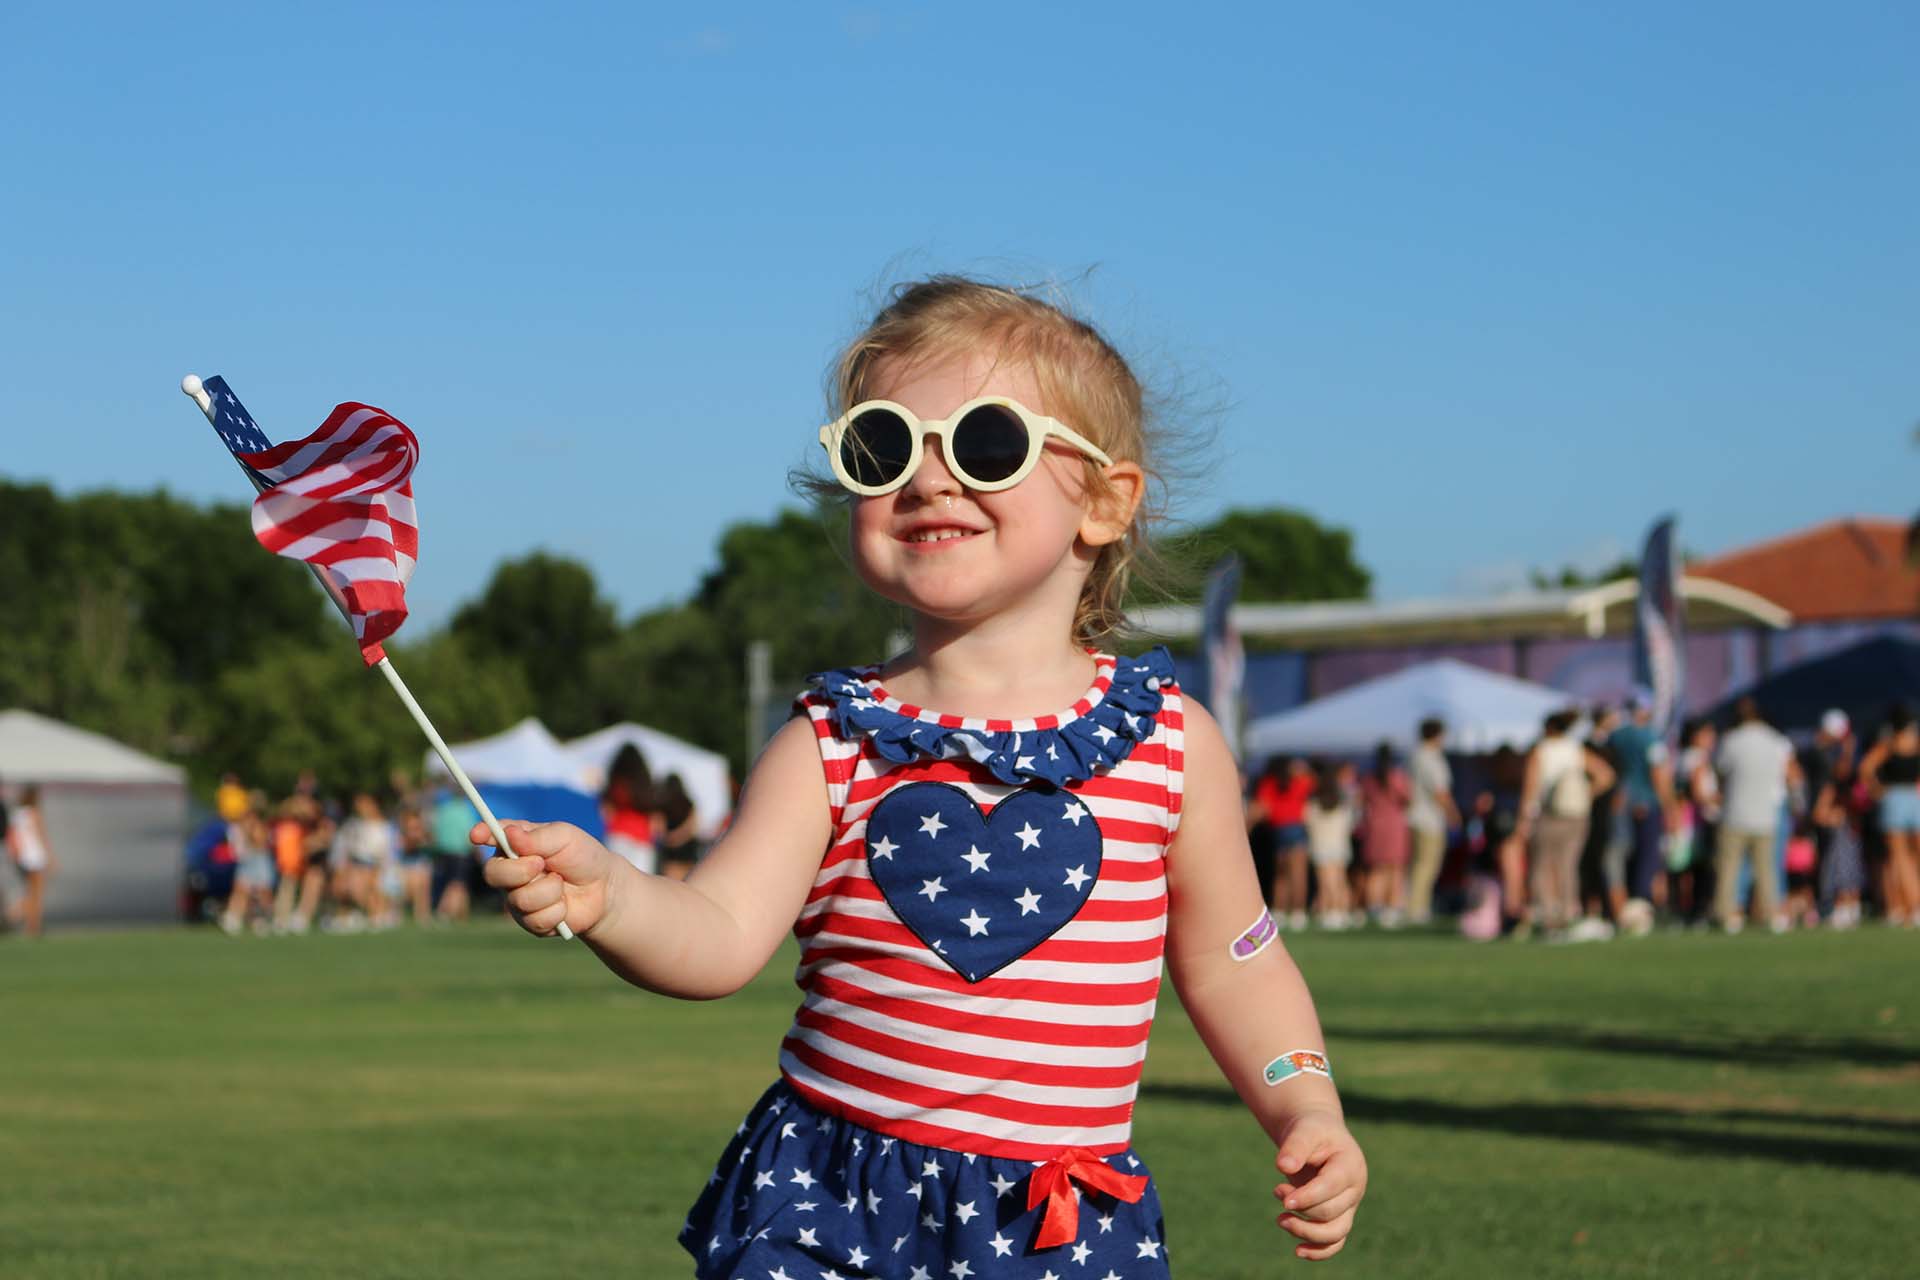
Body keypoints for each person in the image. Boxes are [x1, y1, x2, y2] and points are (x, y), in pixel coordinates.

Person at [481, 277, 1366, 1274]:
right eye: (883, 446)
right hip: (827, 1199)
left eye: (989, 442)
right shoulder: (832, 739)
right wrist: (617, 899)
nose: (930, 478)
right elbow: (721, 934)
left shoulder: (1171, 742)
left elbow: (1236, 957)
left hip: (1054, 1223)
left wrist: (1307, 1101)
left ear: (1107, 502)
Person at [1517, 710, 1614, 937]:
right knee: (1567, 866)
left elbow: (1530, 791)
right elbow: (1605, 775)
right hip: (1576, 816)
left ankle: (1549, 916)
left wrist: (1524, 820)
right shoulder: (1575, 749)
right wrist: (1585, 794)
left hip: (1549, 814)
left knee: (1542, 867)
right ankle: (1568, 912)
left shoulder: (1541, 751)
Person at [1711, 697, 1797, 933]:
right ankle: (1773, 914)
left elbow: (1721, 774)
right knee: (1766, 870)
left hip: (1735, 813)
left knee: (1730, 869)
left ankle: (1729, 915)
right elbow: (1789, 776)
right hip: (1765, 814)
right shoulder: (1775, 741)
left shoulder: (1731, 740)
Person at [1609, 693, 1679, 936]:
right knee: (1647, 858)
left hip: (1619, 804)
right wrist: (1670, 807)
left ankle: (1625, 908)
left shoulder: (1615, 736)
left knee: (1623, 857)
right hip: (1645, 804)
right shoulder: (1650, 738)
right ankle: (1640, 909)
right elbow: (1659, 775)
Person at [1859, 702, 1920, 927]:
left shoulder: (1890, 744)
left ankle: (1910, 906)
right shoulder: (1913, 743)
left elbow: (1865, 768)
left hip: (1894, 799)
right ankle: (1912, 905)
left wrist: (1876, 790)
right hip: (1913, 799)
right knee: (1910, 857)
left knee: (1900, 858)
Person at [1405, 718, 1459, 925]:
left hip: (1419, 817)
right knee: (1426, 865)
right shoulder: (1428, 757)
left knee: (1421, 864)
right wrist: (1452, 813)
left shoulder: (1415, 755)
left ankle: (1418, 905)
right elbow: (1440, 791)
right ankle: (1417, 907)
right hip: (1428, 819)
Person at [1254, 756, 1315, 928]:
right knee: (1298, 874)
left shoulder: (1269, 783)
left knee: (1281, 875)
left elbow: (1263, 807)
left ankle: (1280, 910)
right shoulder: (1298, 782)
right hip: (1296, 829)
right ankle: (1298, 912)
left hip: (1278, 830)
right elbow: (1312, 779)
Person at [1672, 717, 1722, 928]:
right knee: (1697, 868)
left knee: (1685, 868)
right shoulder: (1696, 757)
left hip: (1690, 820)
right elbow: (1698, 791)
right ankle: (1696, 912)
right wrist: (1720, 798)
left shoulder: (1683, 757)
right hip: (1697, 820)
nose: (1712, 738)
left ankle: (1685, 912)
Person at [1358, 741, 1411, 926]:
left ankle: (1374, 906)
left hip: (1375, 825)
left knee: (1376, 869)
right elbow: (1407, 798)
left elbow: (1361, 801)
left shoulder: (1368, 778)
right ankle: (1392, 907)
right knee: (1395, 868)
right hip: (1394, 825)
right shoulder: (1396, 777)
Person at [1305, 761, 1356, 928]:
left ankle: (1331, 912)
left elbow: (1307, 820)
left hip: (1321, 844)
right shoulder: (1342, 799)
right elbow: (1349, 822)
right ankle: (1341, 911)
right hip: (1339, 844)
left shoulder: (1314, 799)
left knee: (1326, 881)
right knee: (1340, 880)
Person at [6, 783, 55, 938]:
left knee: (31, 892)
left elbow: (11, 837)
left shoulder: (17, 814)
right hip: (36, 857)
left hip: (23, 858)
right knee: (36, 894)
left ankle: (30, 925)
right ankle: (19, 918)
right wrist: (51, 858)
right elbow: (42, 837)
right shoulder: (34, 813)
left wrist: (15, 855)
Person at [601, 744, 659, 874]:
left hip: (618, 835)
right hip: (643, 840)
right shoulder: (645, 785)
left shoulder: (618, 783)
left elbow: (607, 810)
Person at [655, 773, 702, 880]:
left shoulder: (663, 804)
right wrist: (679, 837)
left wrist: (670, 839)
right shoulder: (689, 804)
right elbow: (693, 827)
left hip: (671, 853)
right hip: (688, 851)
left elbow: (658, 827)